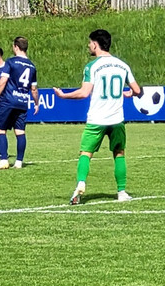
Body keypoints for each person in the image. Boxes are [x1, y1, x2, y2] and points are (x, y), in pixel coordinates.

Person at [54, 29, 142, 204]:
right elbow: (137, 90)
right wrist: (129, 94)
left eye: (90, 43)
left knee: (85, 153)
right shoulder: (123, 65)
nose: (88, 46)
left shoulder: (92, 66)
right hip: (117, 119)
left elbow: (84, 92)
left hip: (96, 119)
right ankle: (122, 192)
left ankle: (81, 183)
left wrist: (64, 96)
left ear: (95, 44)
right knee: (119, 154)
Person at [0, 37, 39, 170]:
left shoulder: (11, 62)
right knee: (20, 131)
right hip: (23, 102)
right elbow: (34, 89)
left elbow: (3, 81)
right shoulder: (32, 66)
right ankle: (19, 162)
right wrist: (36, 103)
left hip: (9, 101)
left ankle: (3, 160)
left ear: (16, 47)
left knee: (0, 129)